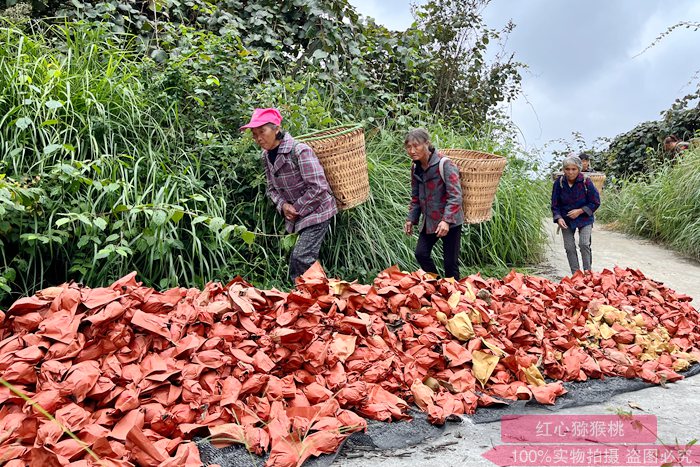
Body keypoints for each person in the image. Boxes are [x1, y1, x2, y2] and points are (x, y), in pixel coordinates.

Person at [240, 108, 337, 283]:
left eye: (262, 132)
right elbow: (271, 189)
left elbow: (319, 187)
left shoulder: (299, 151)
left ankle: (313, 296)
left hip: (318, 210)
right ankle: (311, 295)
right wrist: (283, 205)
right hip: (297, 215)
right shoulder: (266, 156)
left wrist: (296, 207)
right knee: (304, 258)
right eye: (254, 134)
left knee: (301, 257)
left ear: (276, 128)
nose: (258, 138)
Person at [403, 128, 464, 279]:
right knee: (421, 254)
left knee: (450, 264)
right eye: (408, 147)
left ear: (427, 144)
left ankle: (456, 296)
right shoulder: (415, 167)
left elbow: (455, 196)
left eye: (416, 146)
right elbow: (416, 197)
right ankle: (437, 286)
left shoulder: (445, 164)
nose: (412, 150)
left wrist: (446, 221)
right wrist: (411, 219)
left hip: (450, 222)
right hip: (430, 220)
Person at [551, 155, 601, 275]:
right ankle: (576, 274)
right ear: (563, 170)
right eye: (567, 169)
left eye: (574, 169)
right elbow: (555, 204)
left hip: (585, 218)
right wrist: (558, 218)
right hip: (566, 219)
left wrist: (580, 211)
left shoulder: (585, 182)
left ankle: (588, 273)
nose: (570, 172)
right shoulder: (559, 183)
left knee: (584, 244)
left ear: (579, 169)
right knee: (569, 247)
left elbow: (595, 202)